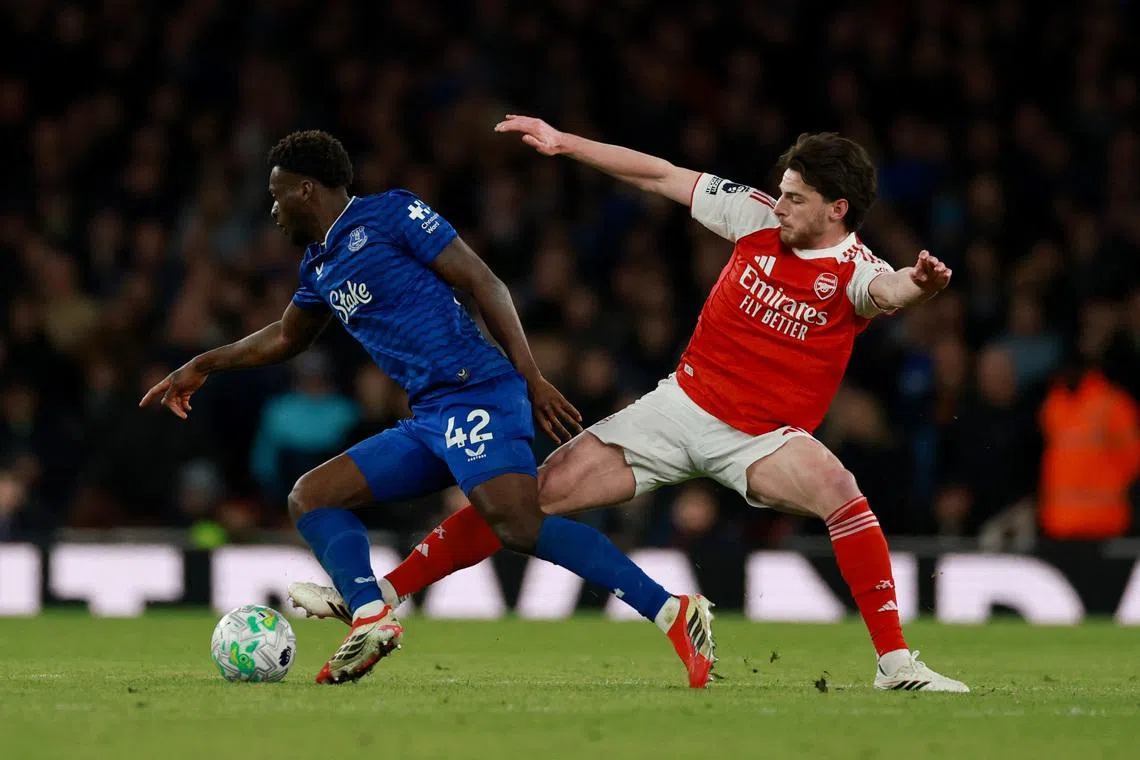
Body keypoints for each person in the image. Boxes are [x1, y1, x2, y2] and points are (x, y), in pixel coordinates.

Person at [294, 117, 972, 692]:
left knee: (842, 493)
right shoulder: (755, 217)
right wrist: (567, 142)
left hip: (763, 436)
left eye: (795, 198)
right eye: (783, 192)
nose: (781, 205)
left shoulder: (854, 271)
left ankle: (895, 662)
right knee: (531, 500)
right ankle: (387, 594)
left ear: (837, 210)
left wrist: (922, 285)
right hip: (677, 409)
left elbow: (888, 294)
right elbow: (660, 175)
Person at [140, 130, 716, 687]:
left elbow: (485, 282)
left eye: (276, 194)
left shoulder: (391, 214)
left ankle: (672, 611)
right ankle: (370, 613)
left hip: (480, 390)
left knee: (516, 522)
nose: (272, 210)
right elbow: (286, 338)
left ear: (306, 190)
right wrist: (206, 363)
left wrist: (531, 376)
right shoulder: (319, 265)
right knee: (311, 496)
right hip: (430, 416)